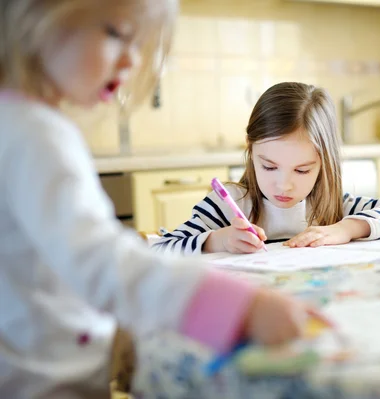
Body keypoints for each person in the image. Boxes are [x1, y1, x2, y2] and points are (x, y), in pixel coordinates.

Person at [0, 1, 324, 397]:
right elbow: (105, 264)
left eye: (140, 43)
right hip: (40, 380)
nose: (133, 61)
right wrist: (238, 307)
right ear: (36, 15)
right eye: (118, 33)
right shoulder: (35, 136)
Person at [154, 82, 380, 255]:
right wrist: (219, 241)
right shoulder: (228, 204)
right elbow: (161, 249)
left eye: (302, 170)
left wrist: (346, 229)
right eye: (269, 167)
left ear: (324, 162)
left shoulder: (329, 207)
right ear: (251, 147)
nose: (284, 185)